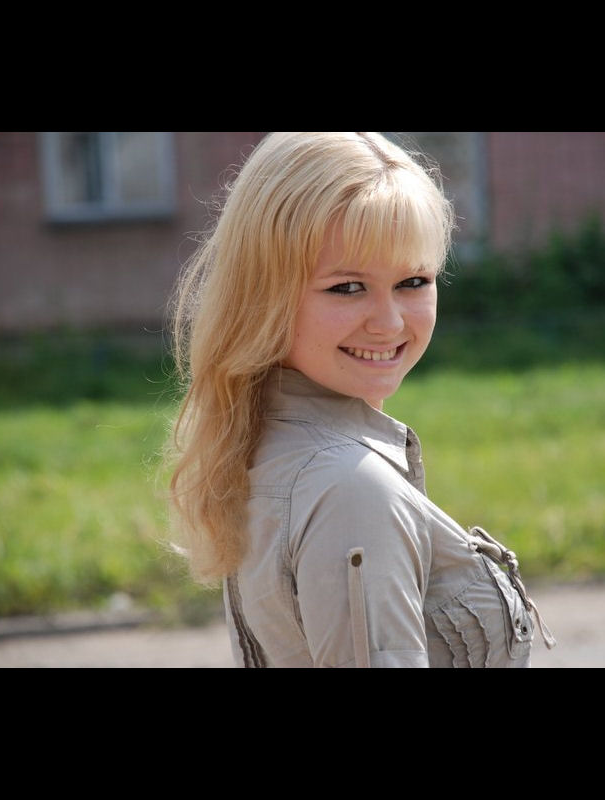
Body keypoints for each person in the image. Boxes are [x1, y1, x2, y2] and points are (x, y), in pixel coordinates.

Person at [168, 131, 555, 668]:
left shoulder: (266, 442)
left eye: (413, 281)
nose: (390, 323)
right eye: (347, 287)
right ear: (263, 295)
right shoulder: (351, 488)